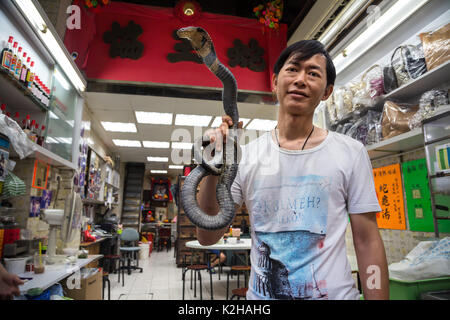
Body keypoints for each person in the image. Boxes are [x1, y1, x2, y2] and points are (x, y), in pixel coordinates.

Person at [196, 40, 389, 300]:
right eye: (293, 69)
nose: (300, 79)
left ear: (327, 91)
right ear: (274, 82)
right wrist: (212, 170)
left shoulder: (351, 152)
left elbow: (367, 241)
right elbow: (208, 236)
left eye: (313, 73)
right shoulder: (247, 156)